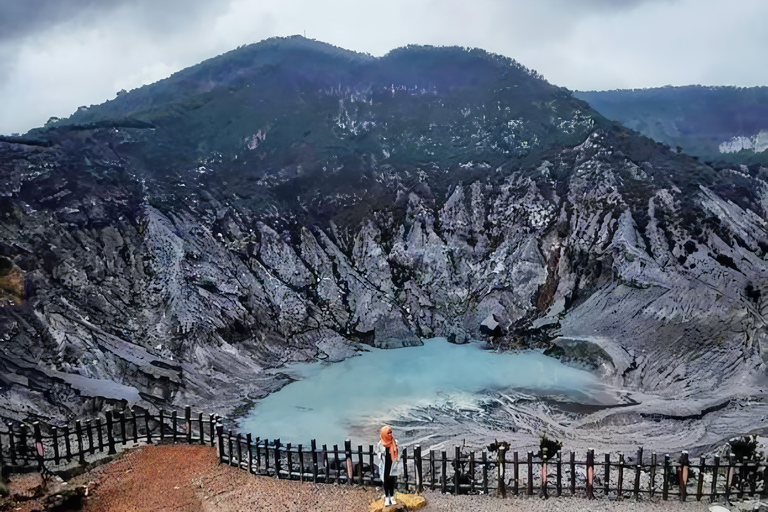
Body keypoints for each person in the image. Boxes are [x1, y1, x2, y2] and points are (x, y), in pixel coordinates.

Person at [377, 425, 399, 507]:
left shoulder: (395, 442)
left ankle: (392, 496)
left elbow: (398, 453)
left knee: (392, 479)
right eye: (388, 433)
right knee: (386, 479)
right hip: (385, 463)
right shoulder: (380, 444)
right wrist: (381, 455)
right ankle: (387, 496)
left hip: (392, 463)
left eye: (390, 432)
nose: (390, 434)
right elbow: (378, 452)